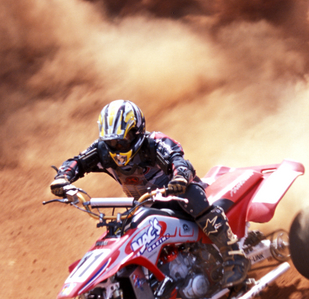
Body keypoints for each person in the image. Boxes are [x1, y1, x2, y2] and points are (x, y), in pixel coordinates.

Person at [49, 99, 249, 287]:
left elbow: (179, 161)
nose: (117, 148)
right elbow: (77, 162)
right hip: (146, 204)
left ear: (136, 132)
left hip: (177, 196)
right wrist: (62, 178)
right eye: (112, 143)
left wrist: (178, 178)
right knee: (120, 231)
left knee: (192, 198)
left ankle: (234, 257)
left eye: (122, 141)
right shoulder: (102, 150)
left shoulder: (154, 143)